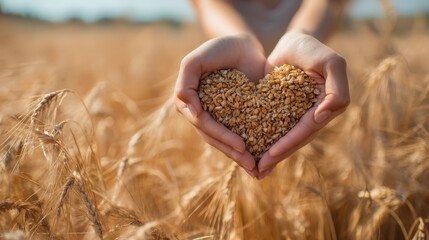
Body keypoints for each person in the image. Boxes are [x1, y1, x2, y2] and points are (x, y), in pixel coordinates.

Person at [174, 0, 350, 179]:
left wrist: (301, 35)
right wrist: (237, 37)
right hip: (232, 58)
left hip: (307, 67)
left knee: (311, 171)